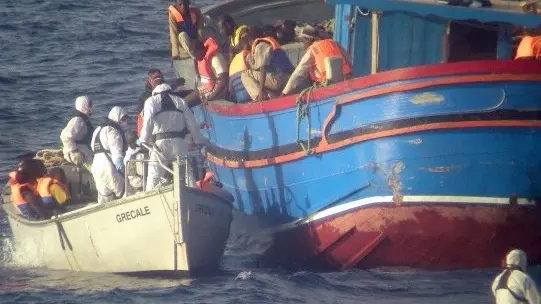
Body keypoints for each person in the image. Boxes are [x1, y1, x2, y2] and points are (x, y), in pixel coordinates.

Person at [140, 81, 206, 191]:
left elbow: (148, 122)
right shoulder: (180, 101)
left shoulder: (150, 101)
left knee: (153, 177)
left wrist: (143, 140)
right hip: (179, 144)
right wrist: (199, 141)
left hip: (160, 146)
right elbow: (192, 124)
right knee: (187, 175)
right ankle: (195, 197)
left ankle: (149, 199)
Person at [282, 28, 352, 95]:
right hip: (345, 81)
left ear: (308, 40)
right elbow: (349, 60)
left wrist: (285, 92)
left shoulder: (313, 49)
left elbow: (299, 73)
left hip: (326, 85)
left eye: (303, 41)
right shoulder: (334, 43)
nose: (303, 44)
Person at [241, 27, 294, 101]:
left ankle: (258, 98)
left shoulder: (260, 46)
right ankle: (270, 95)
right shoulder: (267, 44)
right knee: (257, 79)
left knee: (245, 74)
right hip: (284, 77)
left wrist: (259, 91)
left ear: (251, 40)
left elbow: (263, 68)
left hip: (278, 79)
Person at [90, 106, 129, 203]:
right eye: (123, 119)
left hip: (95, 167)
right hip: (108, 168)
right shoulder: (113, 131)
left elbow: (93, 147)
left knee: (105, 199)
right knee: (126, 193)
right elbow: (116, 153)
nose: (126, 122)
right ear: (118, 119)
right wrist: (121, 166)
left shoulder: (98, 129)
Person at [184, 37, 229, 106]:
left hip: (218, 90)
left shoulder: (215, 59)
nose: (195, 58)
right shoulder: (201, 57)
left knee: (186, 103)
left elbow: (223, 82)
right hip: (207, 88)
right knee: (184, 101)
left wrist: (209, 98)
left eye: (195, 55)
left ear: (201, 50)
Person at [60, 96, 94, 167]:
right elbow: (65, 136)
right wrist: (74, 151)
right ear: (84, 105)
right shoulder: (78, 120)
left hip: (84, 150)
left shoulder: (84, 119)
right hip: (78, 152)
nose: (91, 107)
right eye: (89, 105)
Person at [229, 36, 251, 103]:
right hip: (250, 95)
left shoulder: (232, 62)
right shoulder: (247, 54)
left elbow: (230, 89)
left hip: (240, 99)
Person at [124, 131, 147, 195]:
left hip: (133, 186)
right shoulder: (140, 154)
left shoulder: (126, 156)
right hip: (142, 185)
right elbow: (143, 172)